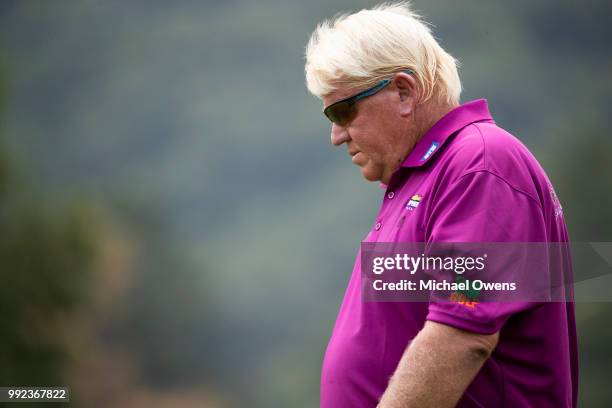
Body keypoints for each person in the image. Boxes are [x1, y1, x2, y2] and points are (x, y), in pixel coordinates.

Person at [304, 3, 578, 407]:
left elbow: (463, 333)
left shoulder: (479, 164)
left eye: (342, 110)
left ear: (403, 91)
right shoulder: (428, 175)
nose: (336, 135)